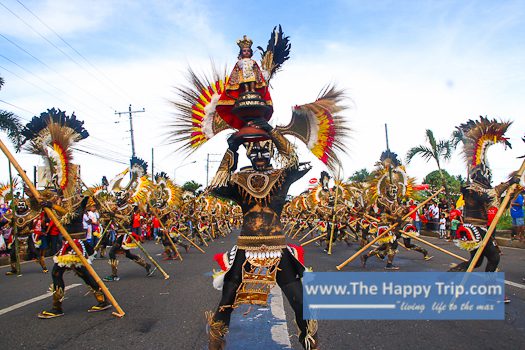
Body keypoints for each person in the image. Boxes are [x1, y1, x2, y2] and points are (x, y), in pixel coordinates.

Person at [206, 119, 317, 350]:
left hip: (278, 249)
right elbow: (216, 185)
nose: (258, 154)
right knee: (226, 301)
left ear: (271, 151)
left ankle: (310, 344)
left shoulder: (282, 176)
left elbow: (294, 161)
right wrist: (231, 149)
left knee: (301, 303)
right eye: (253, 149)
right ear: (247, 153)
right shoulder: (238, 180)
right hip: (246, 249)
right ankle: (216, 343)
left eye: (264, 149)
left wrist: (271, 131)